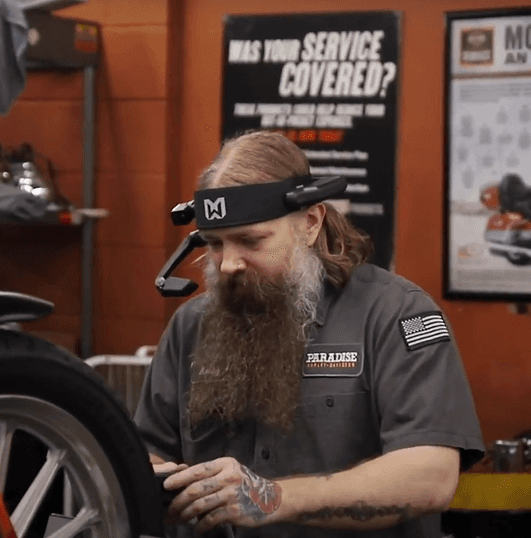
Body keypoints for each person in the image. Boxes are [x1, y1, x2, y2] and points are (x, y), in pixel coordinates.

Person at [133, 130, 485, 538]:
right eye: (214, 245)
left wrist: (273, 498)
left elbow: (431, 477)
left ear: (310, 223)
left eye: (250, 241)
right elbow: (149, 452)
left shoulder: (396, 314)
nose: (228, 264)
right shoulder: (190, 326)